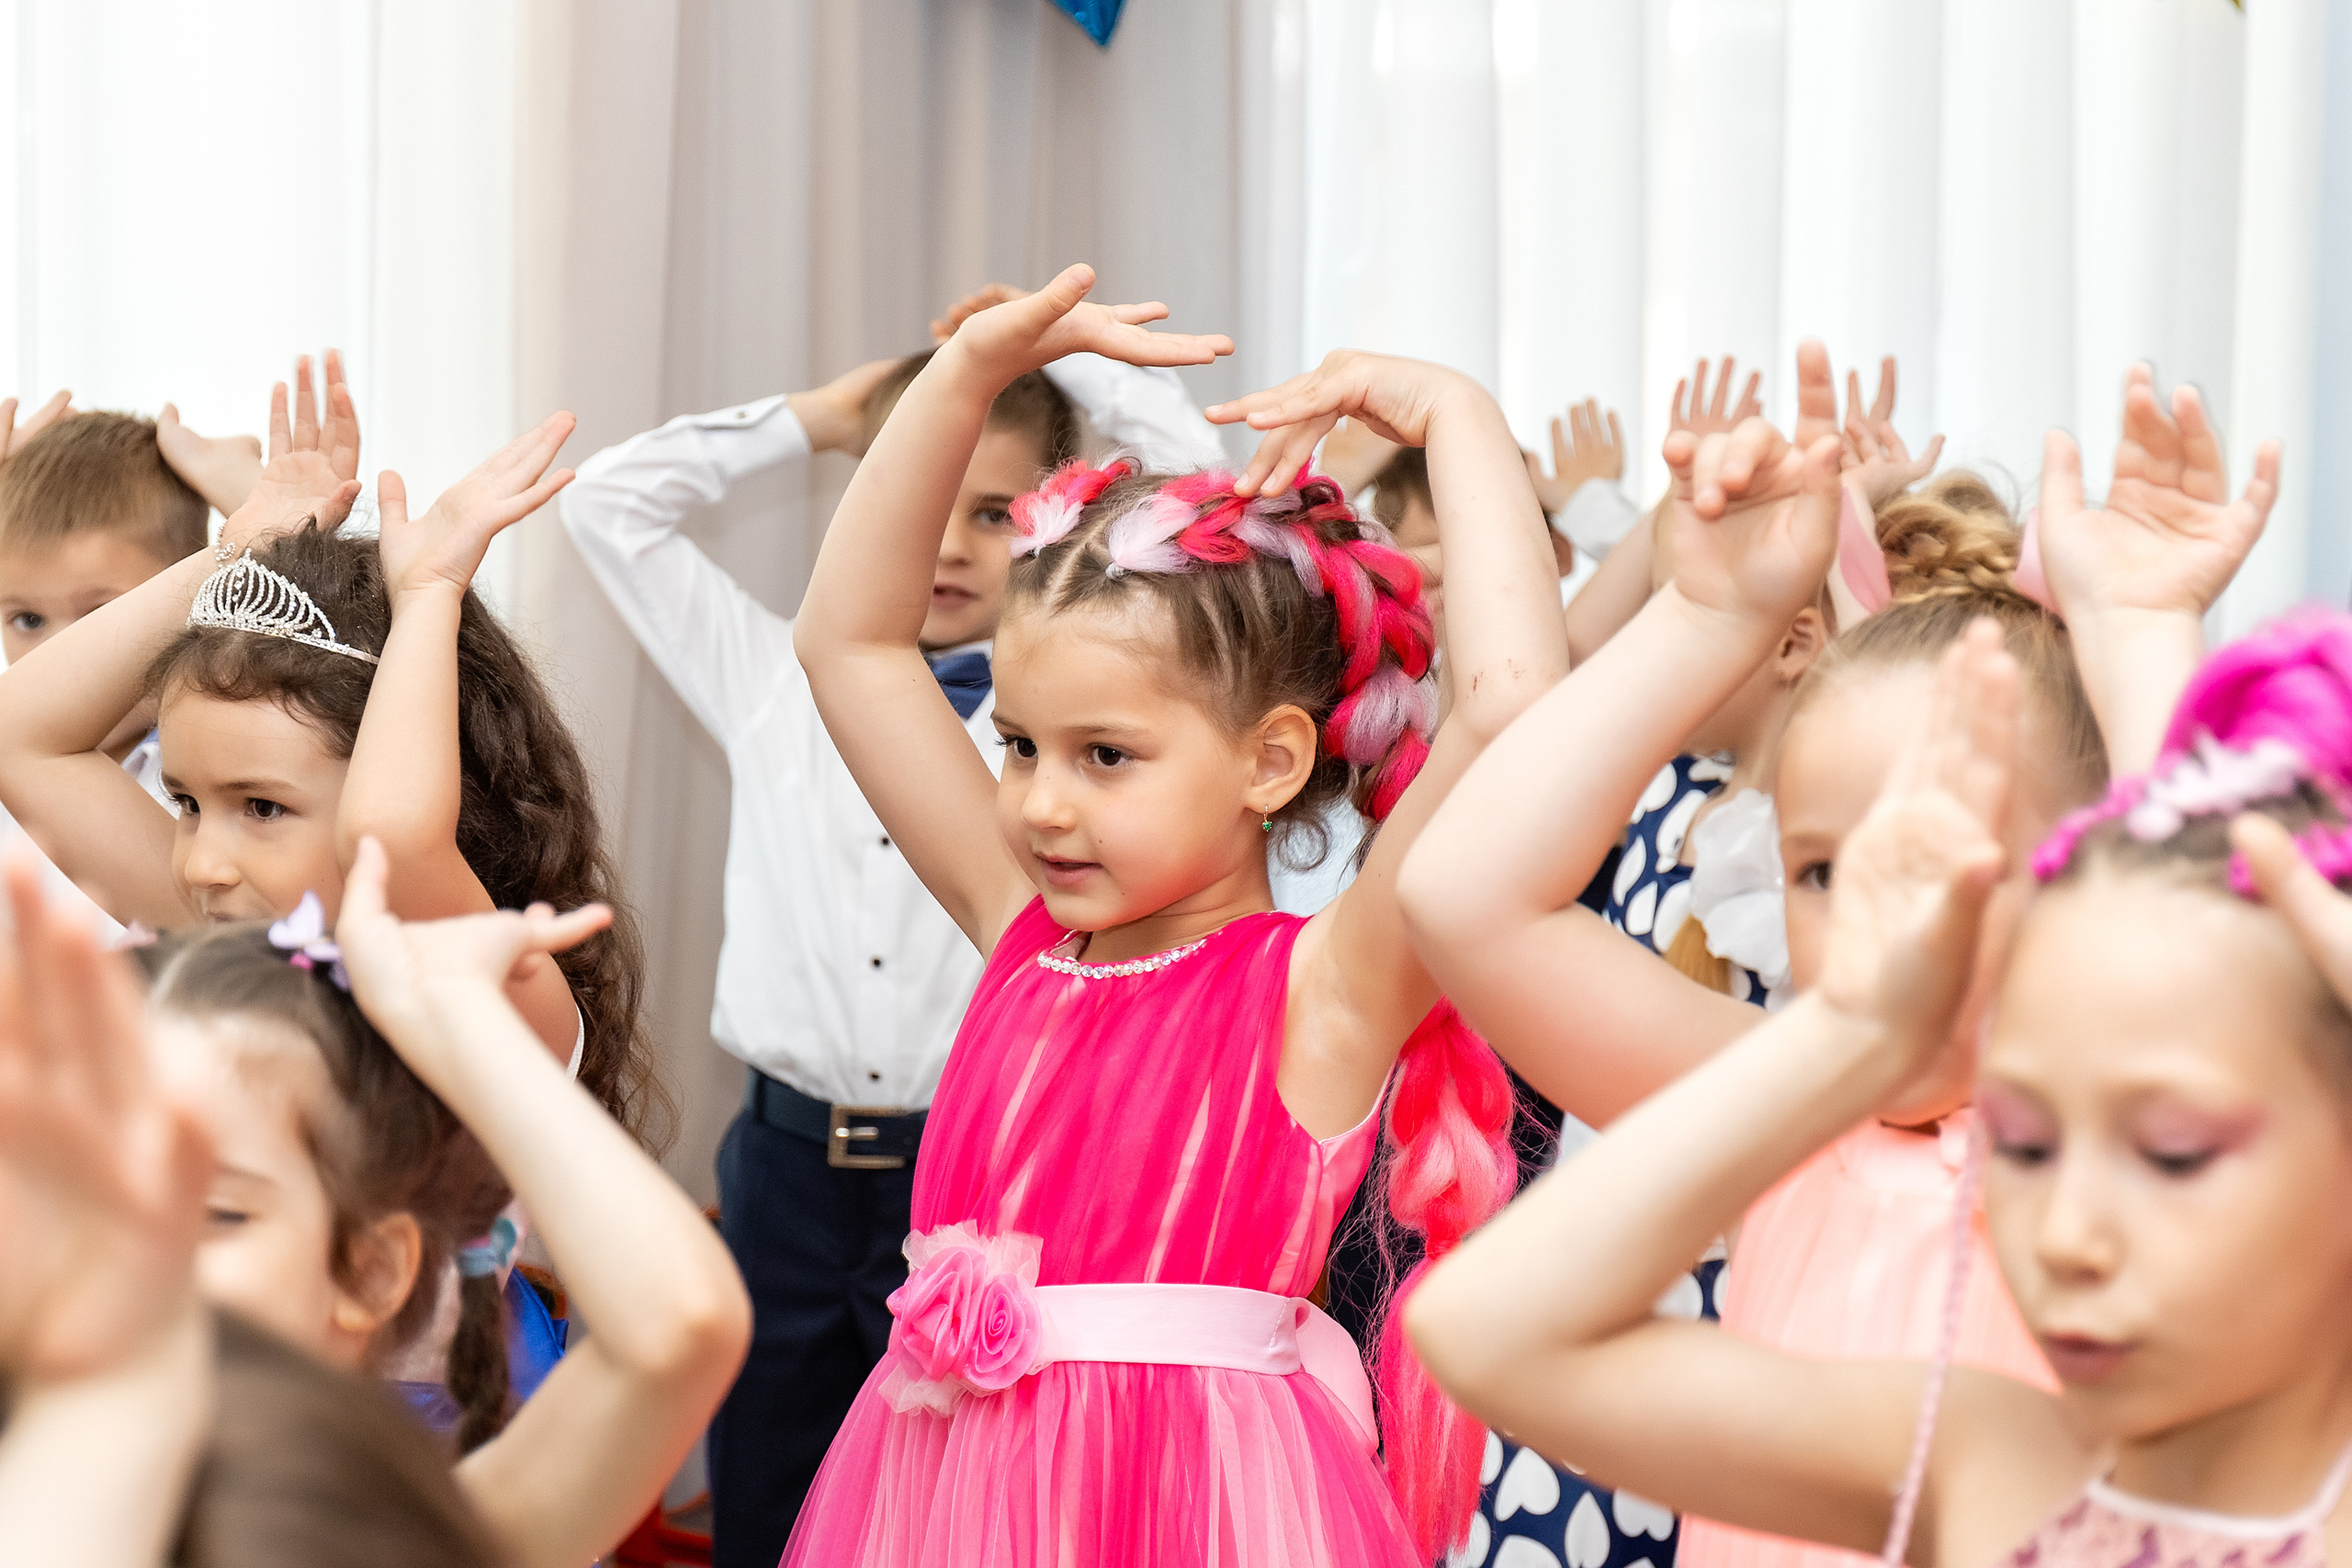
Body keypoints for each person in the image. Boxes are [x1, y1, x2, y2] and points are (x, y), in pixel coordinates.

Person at [1401, 370, 2276, 1568]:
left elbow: (2219, 961)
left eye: (1944, 853)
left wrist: (2138, 638)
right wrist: (1705, 615)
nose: (1878, 910)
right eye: (1821, 870)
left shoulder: (2142, 1159)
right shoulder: (1782, 1103)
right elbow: (1463, 894)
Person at [784, 264, 1566, 1564]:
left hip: (1207, 1515)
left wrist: (1458, 416)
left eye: (1106, 756)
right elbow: (849, 644)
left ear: (1269, 761)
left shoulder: (1327, 985)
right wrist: (965, 376)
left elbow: (1510, 710)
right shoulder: (1019, 931)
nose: (1035, 802)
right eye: (1021, 743)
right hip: (941, 1503)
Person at [556, 292, 1228, 1566]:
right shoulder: (770, 677)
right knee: (767, 1499)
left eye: (995, 508)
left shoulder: (1072, 739)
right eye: (923, 494)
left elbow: (1216, 512)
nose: (951, 540)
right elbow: (606, 502)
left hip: (981, 1179)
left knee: (968, 1511)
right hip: (785, 1174)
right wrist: (827, 419)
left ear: (1060, 512)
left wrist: (1081, 366)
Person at [0, 354, 662, 1136]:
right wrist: (238, 550)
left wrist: (425, 601)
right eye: (184, 803)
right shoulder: (230, 937)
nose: (202, 863)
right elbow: (21, 735)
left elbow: (394, 836)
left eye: (262, 806)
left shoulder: (478, 983)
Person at [0, 849, 514, 1567]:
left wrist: (464, 1020)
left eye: (216, 1212)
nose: (131, 1260)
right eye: (83, 1206)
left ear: (367, 1269)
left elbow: (680, 1327)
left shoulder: (402, 1528)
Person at [0, 400, 212, 927]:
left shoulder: (210, 781)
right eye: (27, 620)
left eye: (103, 618)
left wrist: (256, 500)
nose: (59, 654)